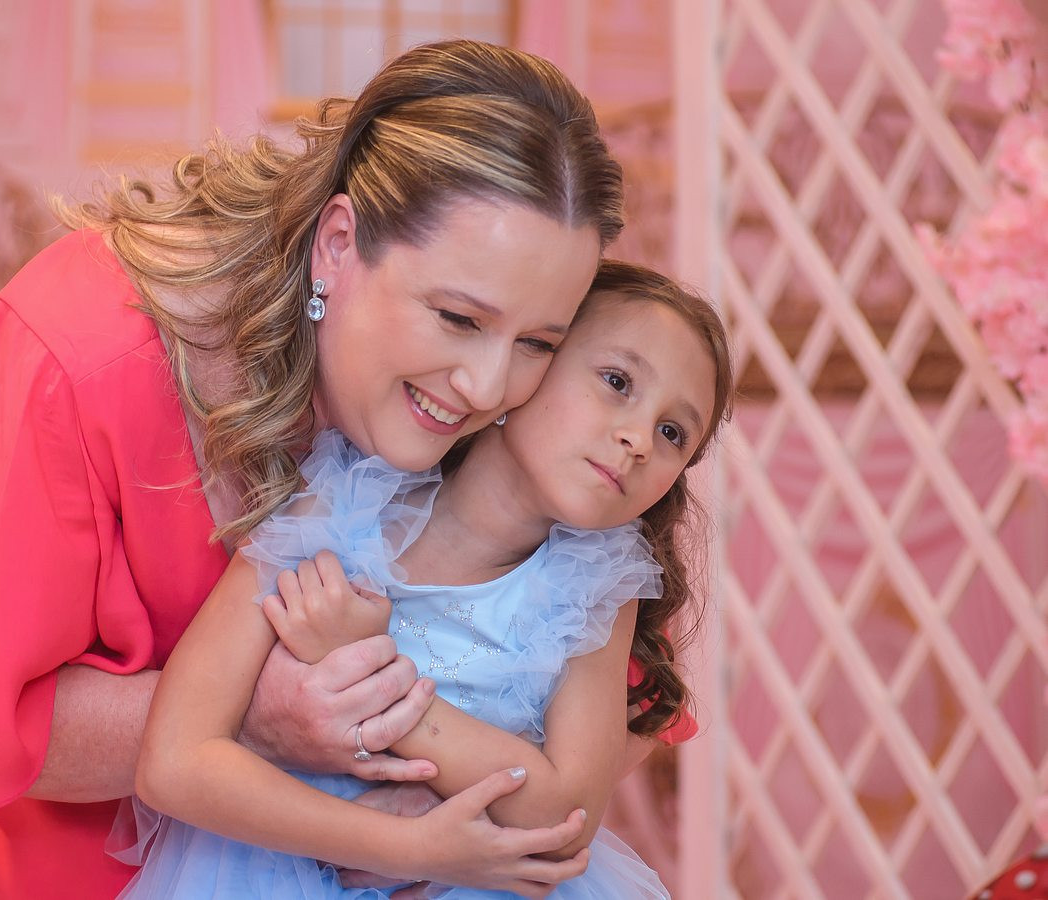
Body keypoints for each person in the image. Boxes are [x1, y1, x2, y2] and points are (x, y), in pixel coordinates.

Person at [0, 40, 624, 898]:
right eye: (458, 319)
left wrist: (432, 806)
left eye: (540, 343)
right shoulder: (76, 355)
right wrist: (261, 715)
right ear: (339, 243)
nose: (488, 389)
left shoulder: (520, 411)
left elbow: (629, 701)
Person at [119, 261, 734, 898]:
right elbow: (173, 762)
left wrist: (368, 675)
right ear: (529, 364)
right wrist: (412, 847)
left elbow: (563, 817)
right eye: (617, 381)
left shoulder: (596, 585)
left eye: (672, 433)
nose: (639, 440)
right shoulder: (338, 505)